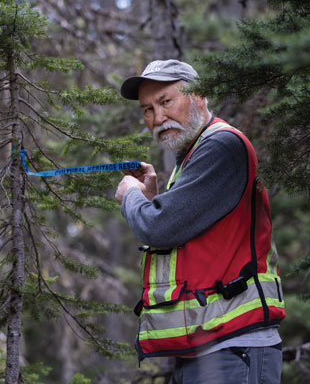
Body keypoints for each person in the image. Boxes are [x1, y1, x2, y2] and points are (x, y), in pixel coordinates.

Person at [115, 59, 286, 384]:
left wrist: (131, 196)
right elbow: (187, 239)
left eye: (166, 101)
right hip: (210, 346)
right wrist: (152, 199)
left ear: (200, 95)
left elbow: (158, 228)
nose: (158, 118)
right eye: (147, 110)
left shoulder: (222, 146)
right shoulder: (193, 157)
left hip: (235, 347)